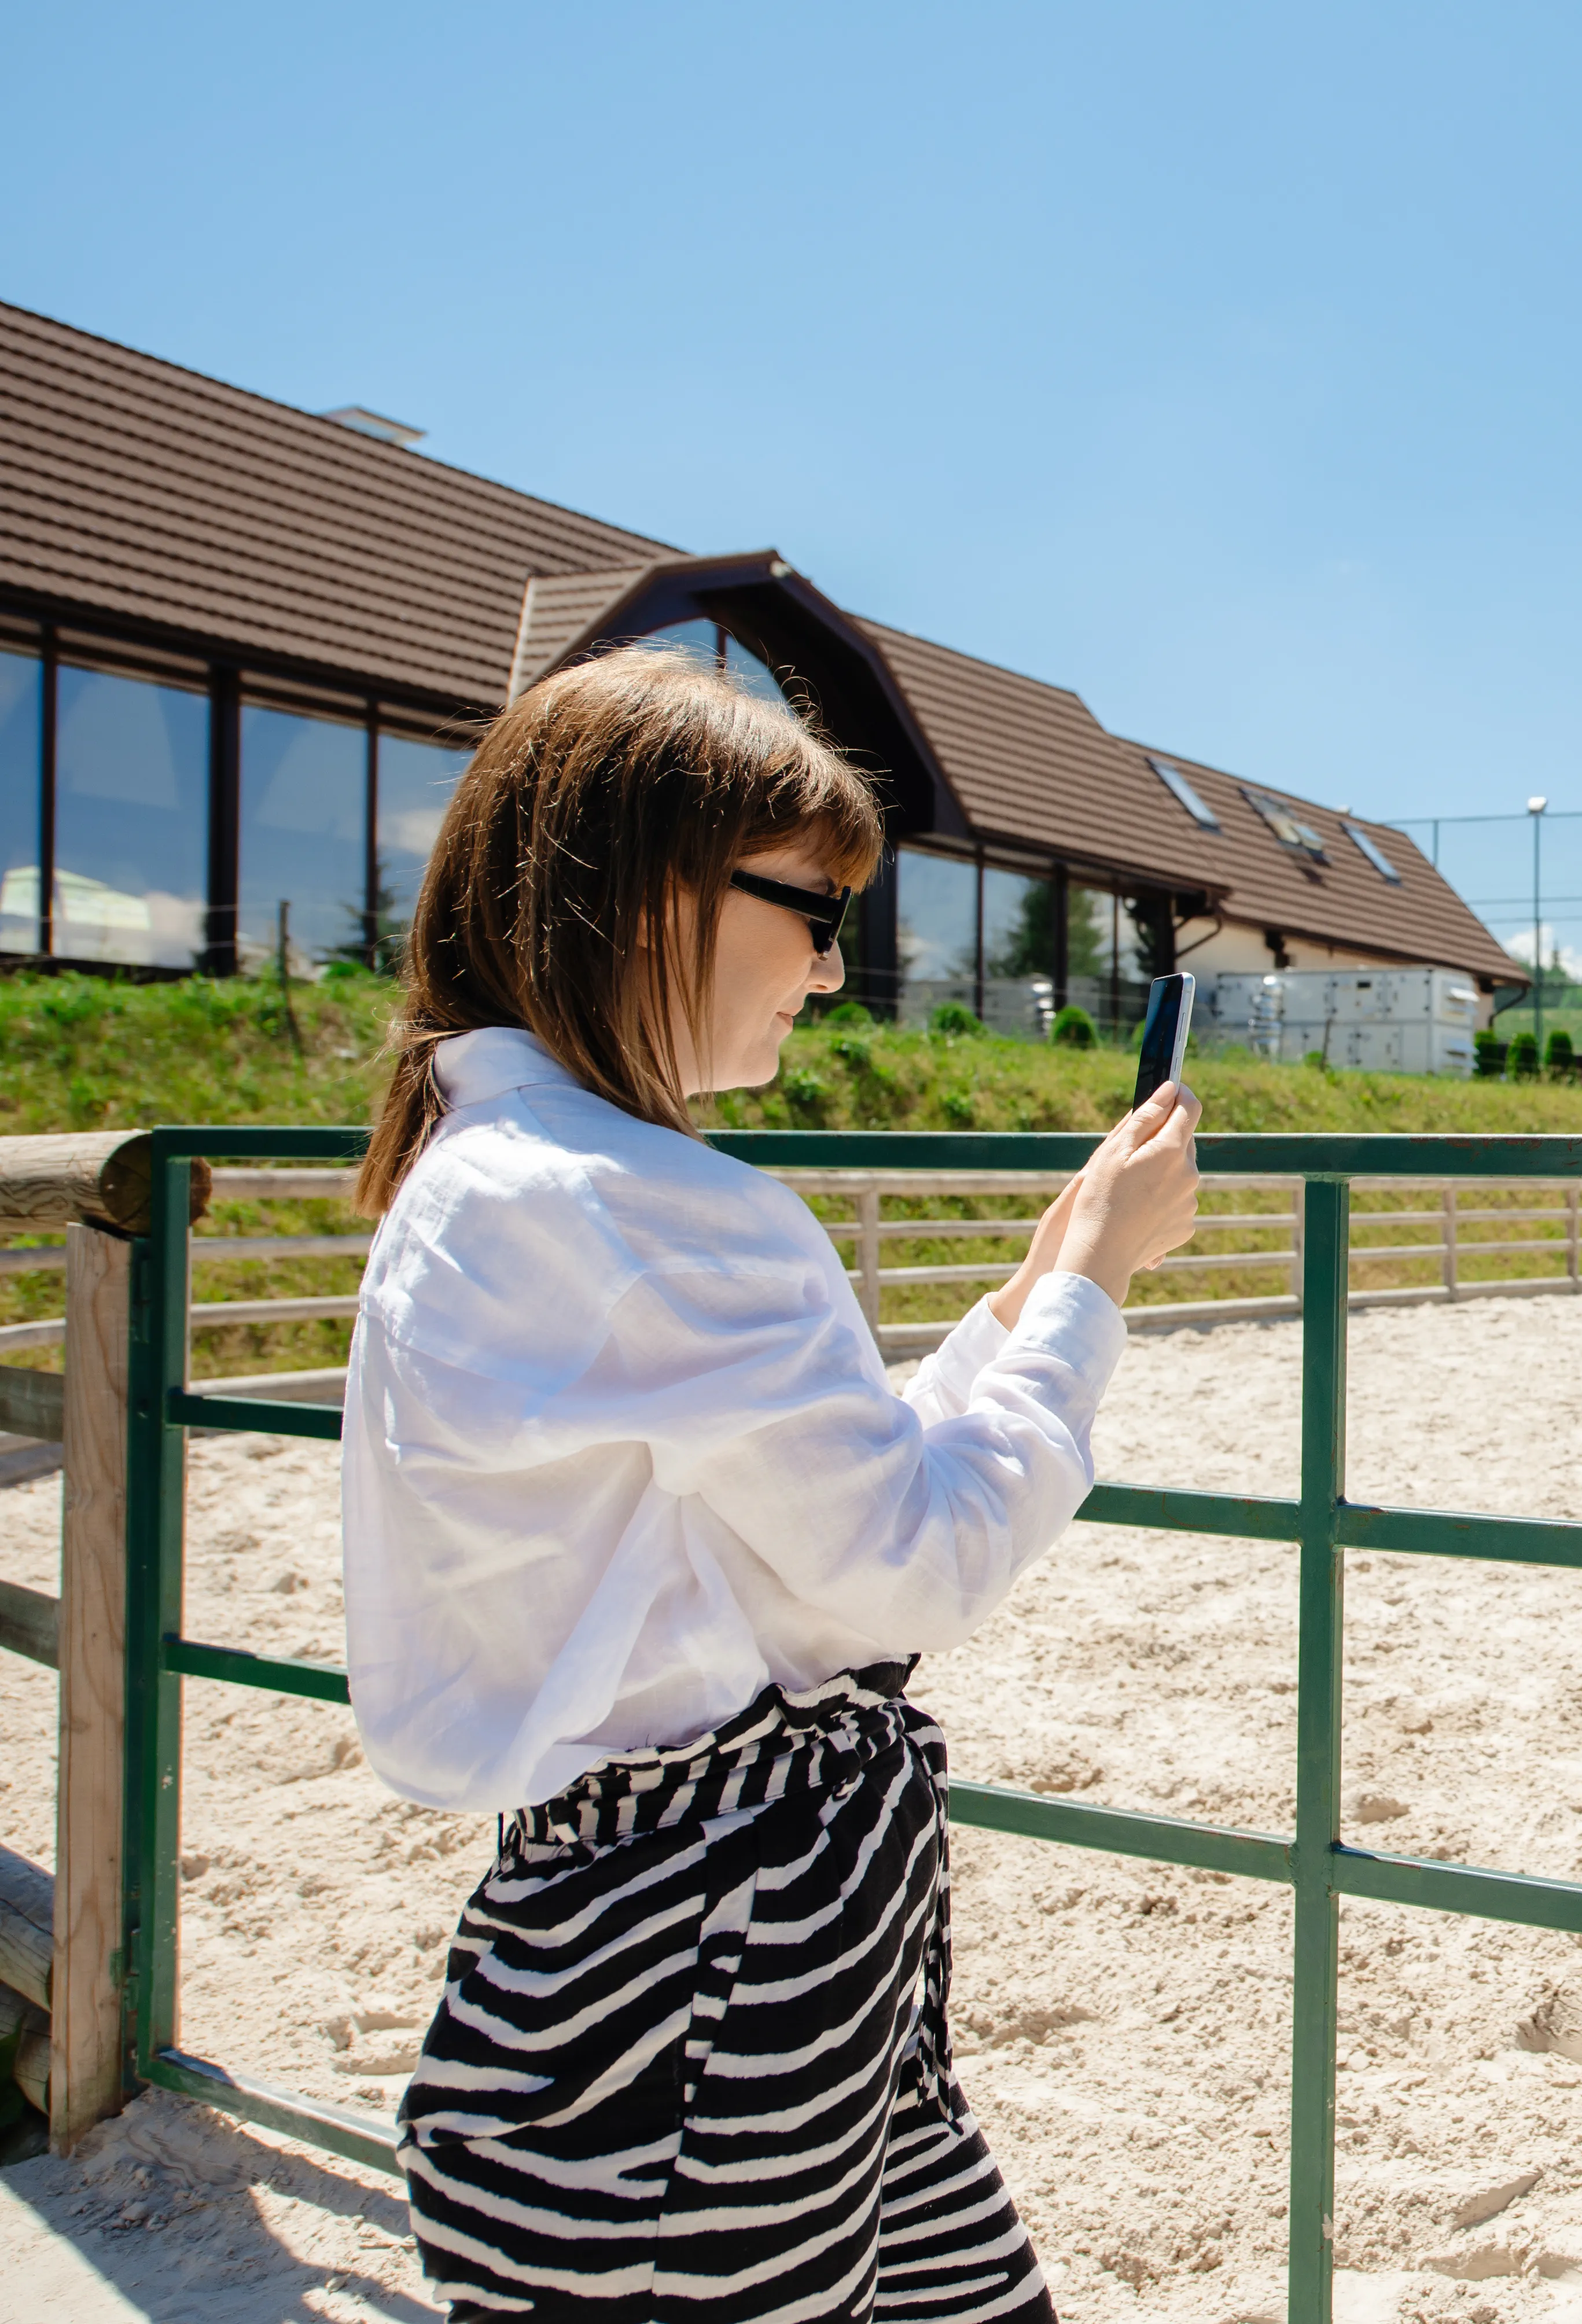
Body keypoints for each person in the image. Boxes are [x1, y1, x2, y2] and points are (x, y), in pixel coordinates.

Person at [340, 645, 1197, 2321]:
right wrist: (1090, 1299)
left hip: (668, 1954)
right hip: (715, 1987)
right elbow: (911, 1565)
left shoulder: (513, 1182)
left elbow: (788, 1516)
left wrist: (1029, 1292)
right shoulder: (641, 1205)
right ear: (657, 892)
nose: (828, 972)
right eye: (812, 913)